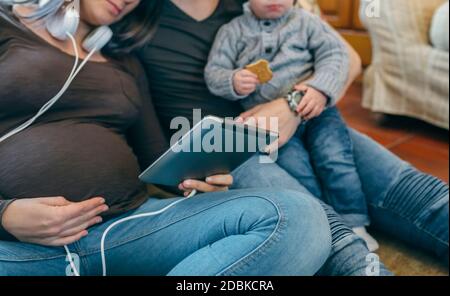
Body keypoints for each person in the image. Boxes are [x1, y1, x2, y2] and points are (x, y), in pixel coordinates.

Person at [0, 0, 332, 276]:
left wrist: (197, 179)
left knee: (300, 217)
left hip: (129, 229)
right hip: (16, 250)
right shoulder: (6, 24)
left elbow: (158, 157)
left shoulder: (125, 61)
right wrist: (5, 215)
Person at [138, 0, 449, 275]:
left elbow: (348, 58)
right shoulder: (135, 16)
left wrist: (291, 106)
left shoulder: (273, 8)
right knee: (322, 229)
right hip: (224, 148)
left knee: (418, 193)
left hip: (307, 117)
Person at [204, 0, 378, 251]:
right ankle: (329, 224)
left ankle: (354, 221)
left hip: (319, 111)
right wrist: (232, 80)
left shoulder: (306, 21)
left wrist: (320, 88)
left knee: (336, 160)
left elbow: (336, 54)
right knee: (299, 170)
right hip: (273, 127)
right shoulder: (232, 31)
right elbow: (214, 72)